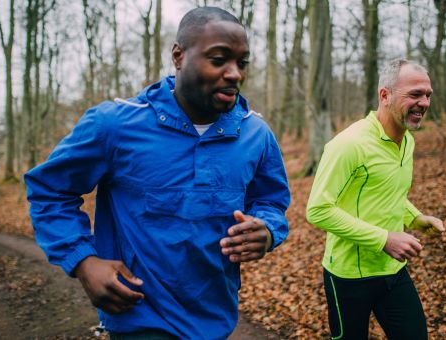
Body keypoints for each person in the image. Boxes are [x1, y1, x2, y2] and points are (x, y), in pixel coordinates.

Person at [25, 7, 290, 340]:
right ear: (178, 56)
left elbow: (271, 201)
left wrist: (266, 230)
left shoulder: (256, 134)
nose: (234, 74)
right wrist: (83, 261)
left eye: (242, 63)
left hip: (216, 321)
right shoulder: (115, 125)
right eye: (219, 59)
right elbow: (50, 189)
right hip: (139, 319)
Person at [306, 59, 445, 340]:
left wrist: (415, 218)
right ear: (385, 95)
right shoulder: (348, 144)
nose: (425, 102)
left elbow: (390, 192)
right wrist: (384, 239)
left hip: (393, 271)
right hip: (348, 276)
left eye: (428, 95)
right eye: (415, 94)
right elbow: (318, 210)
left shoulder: (408, 140)